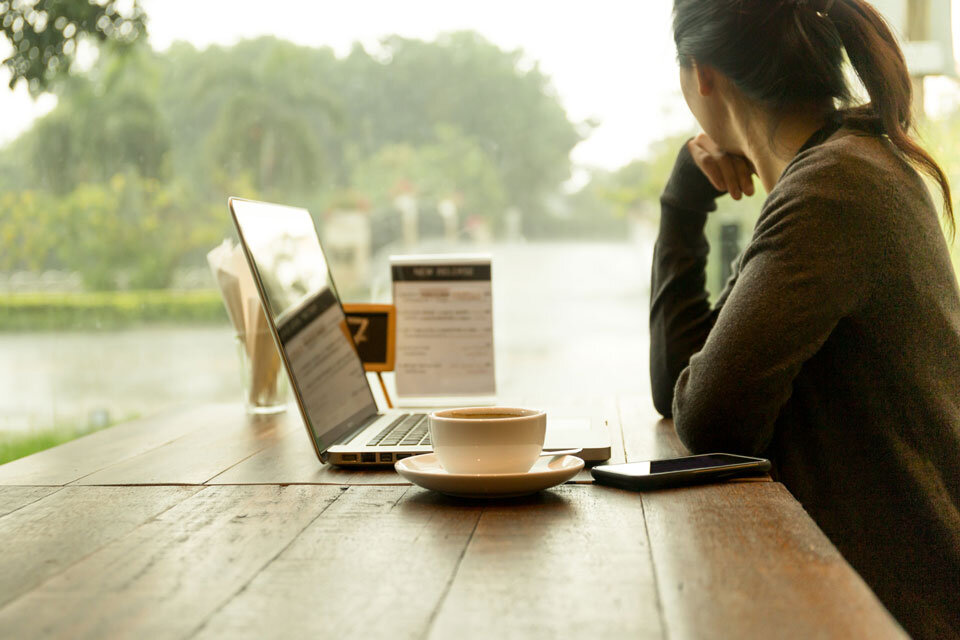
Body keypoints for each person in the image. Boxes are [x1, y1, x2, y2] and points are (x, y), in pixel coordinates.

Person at [650, 1, 960, 637]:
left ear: (701, 74)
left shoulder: (833, 188)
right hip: (877, 593)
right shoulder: (842, 164)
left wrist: (679, 209)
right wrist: (684, 201)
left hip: (904, 614)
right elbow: (682, 388)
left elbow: (711, 420)